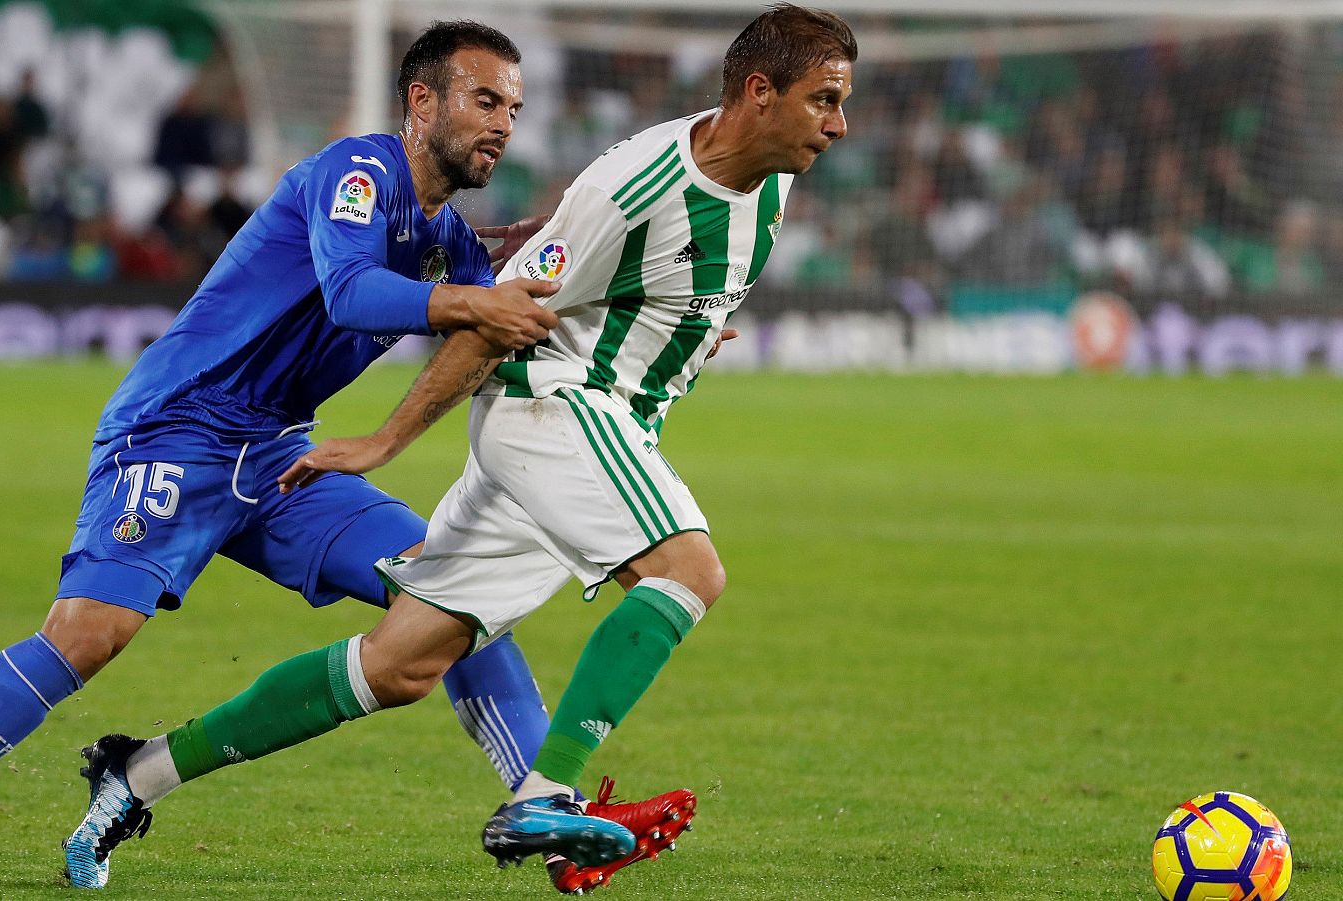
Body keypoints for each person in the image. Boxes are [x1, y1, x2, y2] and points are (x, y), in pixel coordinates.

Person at [69, 2, 856, 888]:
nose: (839, 123)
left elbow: (666, 288)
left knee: (401, 663)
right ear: (760, 92)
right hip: (556, 406)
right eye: (824, 100)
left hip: (599, 421)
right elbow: (492, 322)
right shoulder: (628, 191)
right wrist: (383, 442)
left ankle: (136, 774)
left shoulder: (775, 177)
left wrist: (686, 333)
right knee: (688, 570)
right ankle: (545, 799)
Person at [0, 21, 598, 895]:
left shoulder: (448, 244)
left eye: (514, 107)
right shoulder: (356, 173)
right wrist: (474, 294)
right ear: (422, 102)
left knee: (451, 593)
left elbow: (501, 323)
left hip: (279, 454)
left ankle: (549, 812)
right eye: (485, 99)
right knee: (87, 635)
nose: (504, 123)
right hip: (178, 427)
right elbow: (352, 291)